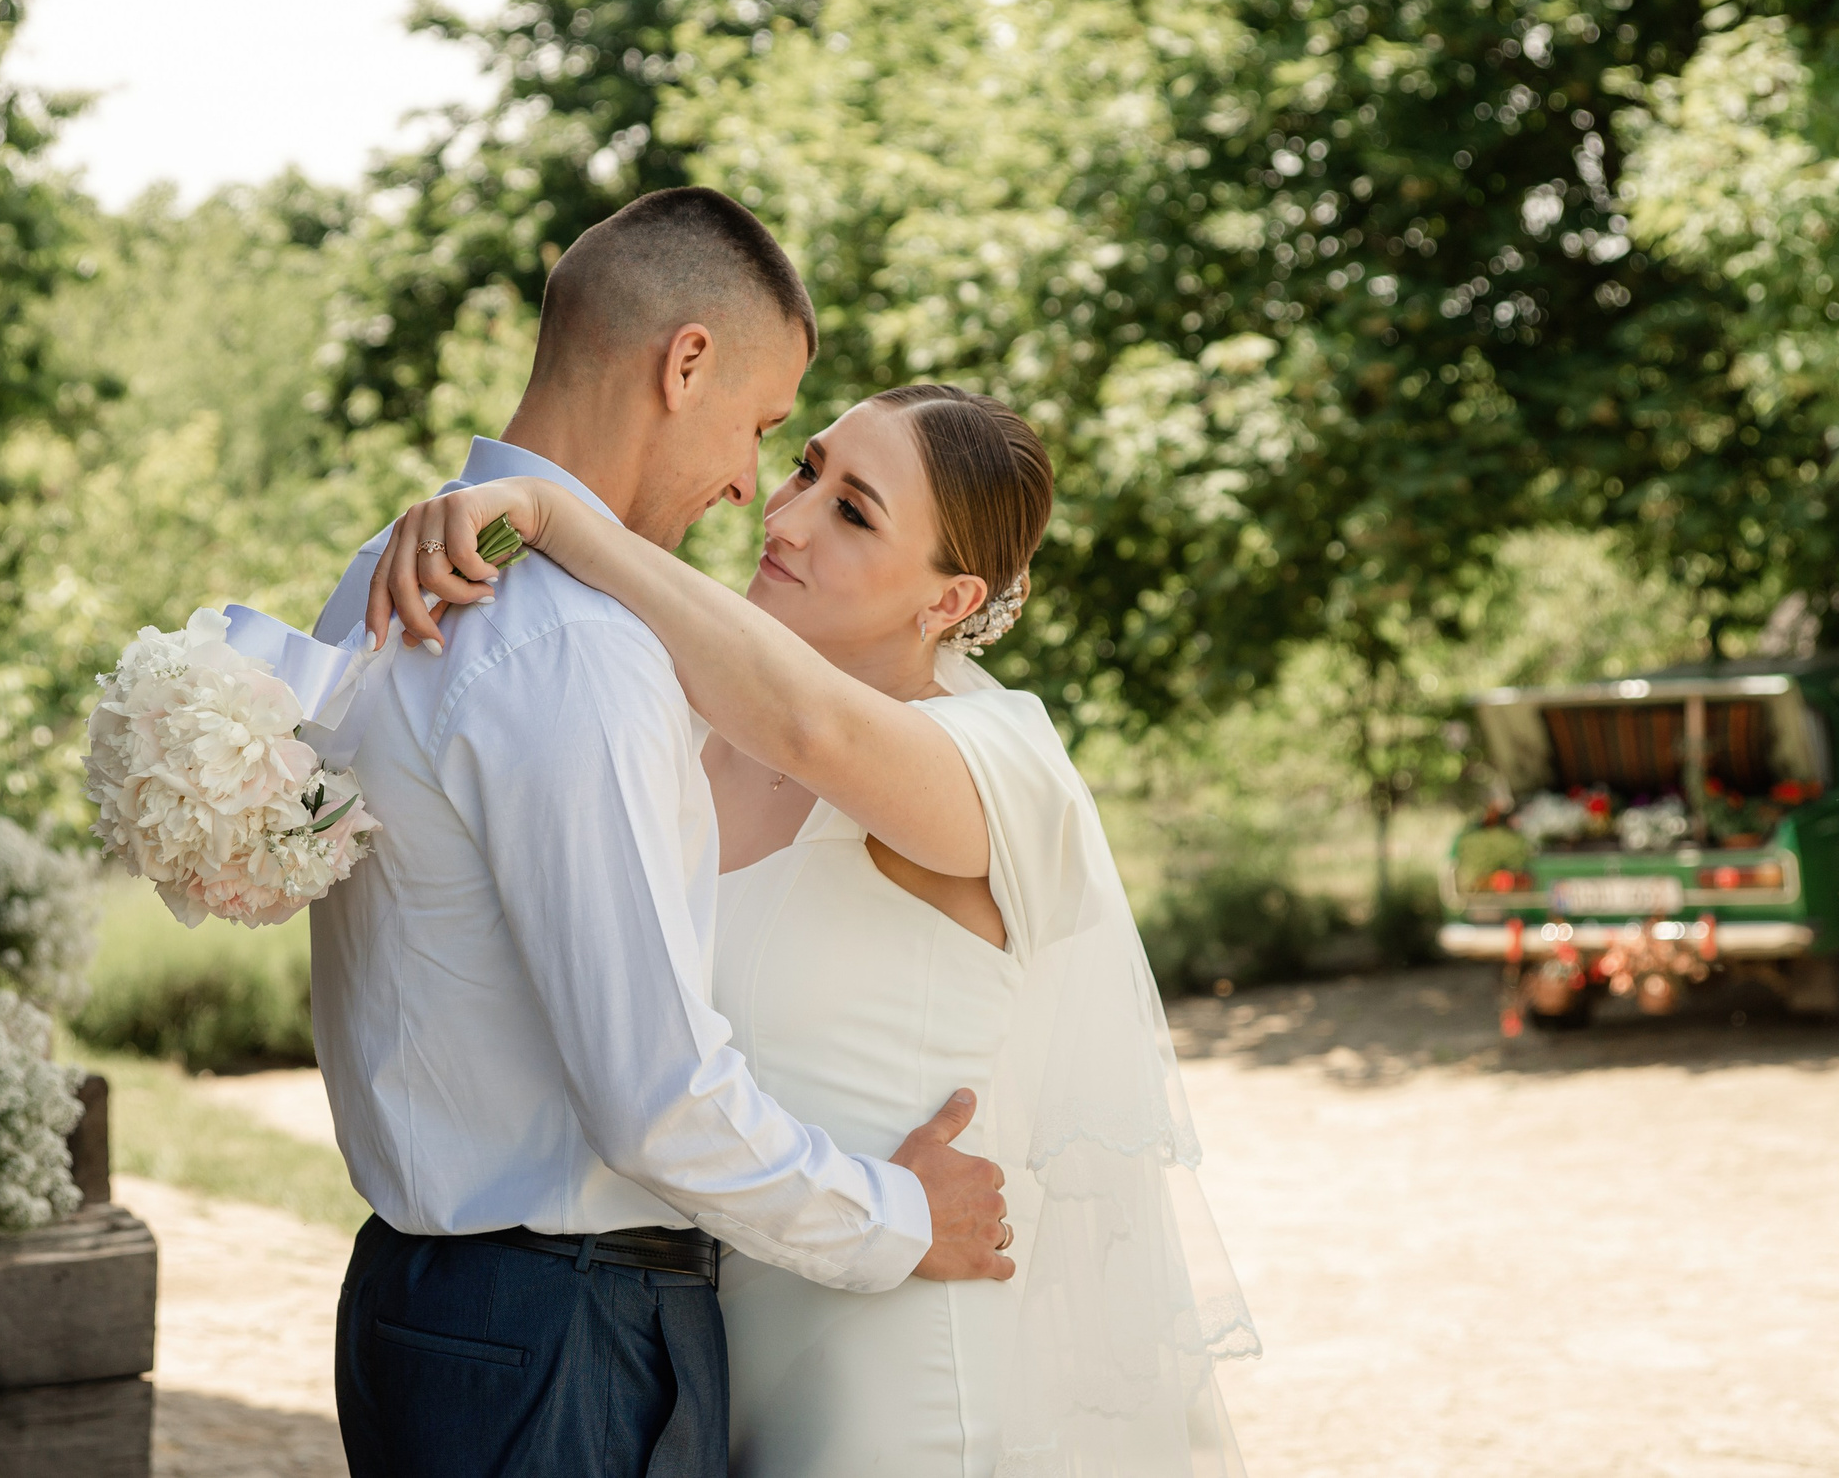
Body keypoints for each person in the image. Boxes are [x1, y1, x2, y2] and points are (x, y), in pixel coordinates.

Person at [369, 382, 1257, 1474]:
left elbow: (814, 724)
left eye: (854, 511)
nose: (784, 517)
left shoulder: (996, 761)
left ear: (948, 600)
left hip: (897, 1360)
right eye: (806, 469)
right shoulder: (684, 734)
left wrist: (557, 517)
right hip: (711, 1345)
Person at [303, 188, 1014, 1478]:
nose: (751, 484)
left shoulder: (380, 571)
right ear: (684, 361)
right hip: (563, 1335)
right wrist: (899, 1220)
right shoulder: (574, 645)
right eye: (763, 430)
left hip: (424, 1303)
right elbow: (659, 1105)